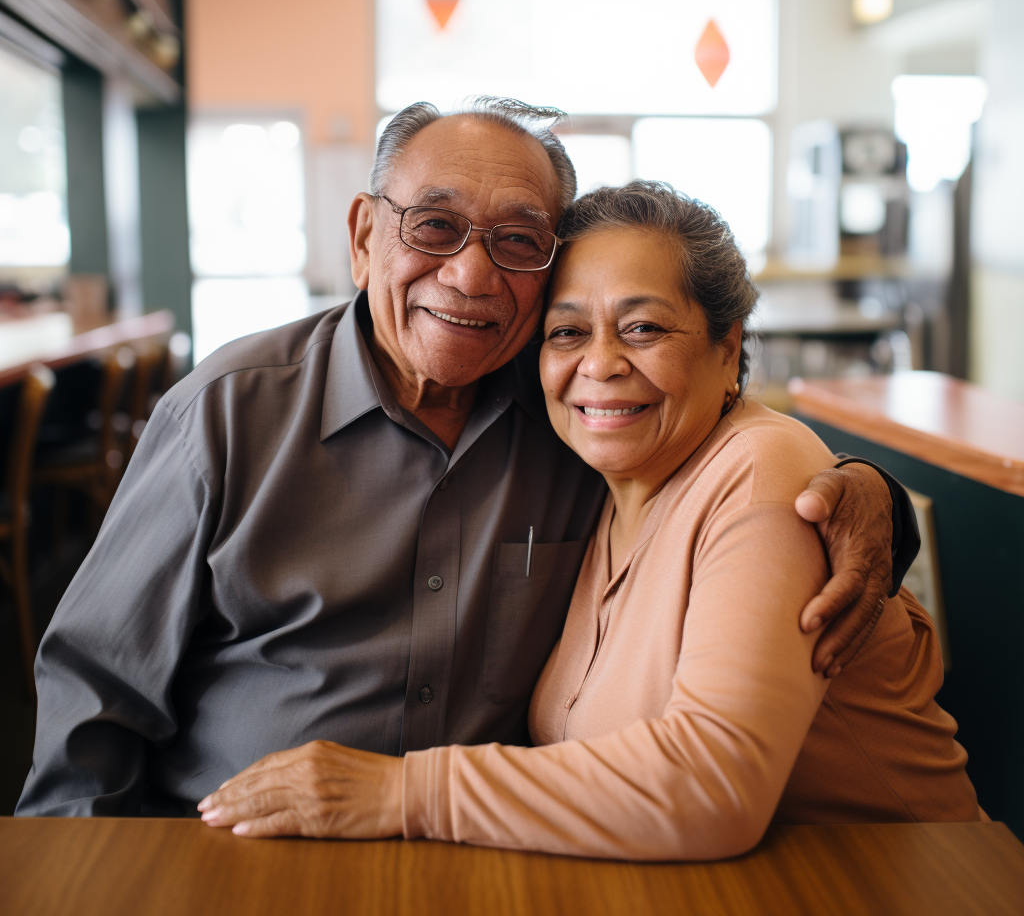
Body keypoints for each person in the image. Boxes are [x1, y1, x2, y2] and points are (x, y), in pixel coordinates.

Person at [18, 101, 914, 818]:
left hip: (501, 859)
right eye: (435, 226)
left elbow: (729, 456)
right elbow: (95, 694)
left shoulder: (573, 410)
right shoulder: (226, 413)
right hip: (237, 850)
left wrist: (871, 499)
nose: (473, 276)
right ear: (366, 237)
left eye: (519, 242)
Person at [198, 183, 977, 858]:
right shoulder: (597, 488)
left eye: (642, 328)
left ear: (726, 346)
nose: (599, 364)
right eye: (567, 332)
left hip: (892, 881)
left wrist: (400, 794)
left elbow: (713, 783)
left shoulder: (760, 469)